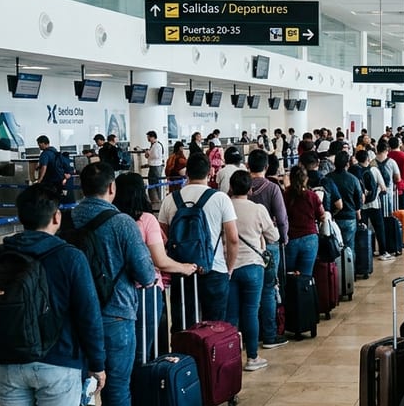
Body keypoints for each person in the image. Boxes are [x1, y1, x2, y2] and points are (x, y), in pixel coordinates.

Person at [0, 184, 106, 406]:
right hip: (60, 364)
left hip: (12, 364)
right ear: (56, 217)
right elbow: (88, 315)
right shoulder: (70, 257)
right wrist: (97, 365)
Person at [68, 163, 158, 406]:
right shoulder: (122, 223)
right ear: (112, 189)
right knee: (118, 385)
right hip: (116, 313)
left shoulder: (69, 217)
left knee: (78, 384)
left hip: (75, 315)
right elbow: (145, 273)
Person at [112, 172, 198, 363]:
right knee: (146, 349)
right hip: (146, 292)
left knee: (124, 352)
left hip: (116, 294)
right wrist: (183, 267)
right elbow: (159, 260)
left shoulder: (112, 220)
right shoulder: (146, 219)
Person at [157, 153, 239, 322]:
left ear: (187, 173)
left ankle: (185, 349)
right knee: (215, 326)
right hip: (215, 269)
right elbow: (233, 239)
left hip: (181, 270)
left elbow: (163, 238)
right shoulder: (221, 198)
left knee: (183, 325)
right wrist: (229, 268)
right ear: (210, 172)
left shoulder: (170, 200)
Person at [227, 170, 280, 372]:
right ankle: (252, 358)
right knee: (250, 312)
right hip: (253, 266)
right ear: (250, 189)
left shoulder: (224, 206)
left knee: (231, 314)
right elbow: (273, 236)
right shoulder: (257, 209)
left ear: (231, 187)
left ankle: (229, 359)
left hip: (228, 266)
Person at [246, 150, 291, 351]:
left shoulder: (239, 187)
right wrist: (284, 237)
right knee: (268, 288)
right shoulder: (272, 188)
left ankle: (249, 337)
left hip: (245, 247)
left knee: (248, 294)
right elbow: (281, 218)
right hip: (269, 245)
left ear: (248, 166)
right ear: (266, 167)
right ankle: (270, 334)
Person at [283, 164, 326, 277]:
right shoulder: (312, 196)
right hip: (310, 238)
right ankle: (305, 294)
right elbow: (322, 216)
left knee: (290, 275)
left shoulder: (285, 196)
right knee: (306, 276)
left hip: (291, 238)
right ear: (306, 179)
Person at [143, 131, 166, 204]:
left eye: (148, 137)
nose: (148, 139)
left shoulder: (157, 145)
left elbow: (157, 156)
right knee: (152, 182)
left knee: (156, 183)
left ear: (152, 137)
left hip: (156, 166)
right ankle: (153, 198)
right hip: (152, 166)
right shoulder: (152, 145)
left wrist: (149, 153)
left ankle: (158, 199)